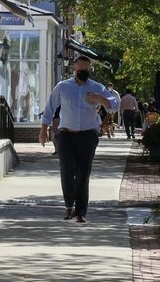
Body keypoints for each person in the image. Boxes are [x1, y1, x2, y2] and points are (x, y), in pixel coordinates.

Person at [38, 56, 119, 223]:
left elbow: (115, 104)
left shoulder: (97, 87)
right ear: (74, 70)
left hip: (88, 135)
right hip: (66, 134)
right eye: (79, 69)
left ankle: (81, 211)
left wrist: (101, 99)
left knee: (83, 173)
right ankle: (69, 206)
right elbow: (50, 107)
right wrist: (43, 130)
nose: (82, 72)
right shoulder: (63, 87)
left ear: (89, 70)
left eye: (86, 70)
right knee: (67, 169)